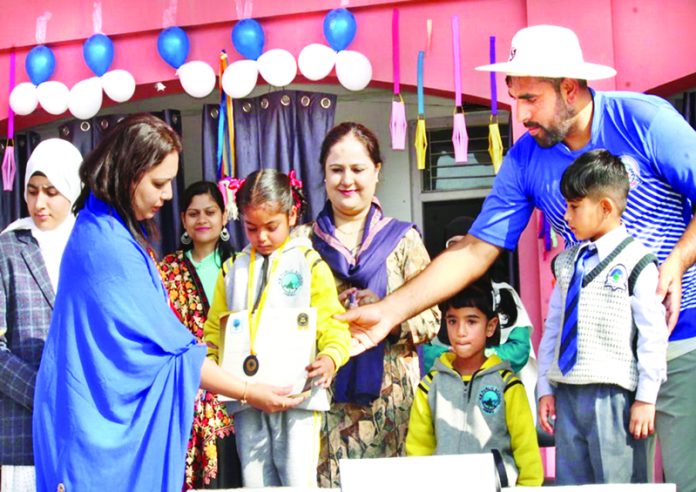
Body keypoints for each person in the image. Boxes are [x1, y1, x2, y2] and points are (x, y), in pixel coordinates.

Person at [338, 25, 696, 490]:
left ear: (569, 88)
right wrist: (389, 312)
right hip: (591, 363)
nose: (520, 114)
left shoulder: (645, 119)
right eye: (514, 97)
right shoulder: (526, 158)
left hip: (679, 336)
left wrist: (677, 261)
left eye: (530, 98)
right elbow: (474, 250)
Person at [32, 115, 303, 492]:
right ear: (129, 173)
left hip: (93, 424)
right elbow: (175, 351)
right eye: (159, 183)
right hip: (99, 440)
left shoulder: (99, 225)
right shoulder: (109, 244)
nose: (168, 195)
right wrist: (249, 391)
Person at [293, 121, 440, 487]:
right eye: (336, 170)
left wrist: (389, 311)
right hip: (320, 397)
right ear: (323, 174)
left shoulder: (403, 239)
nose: (347, 180)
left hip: (390, 407)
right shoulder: (300, 242)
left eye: (358, 169)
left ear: (376, 171)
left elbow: (433, 320)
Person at [203, 169, 351, 487]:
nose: (262, 237)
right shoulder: (232, 269)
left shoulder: (309, 264)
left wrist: (330, 358)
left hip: (298, 394)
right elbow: (215, 327)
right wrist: (213, 363)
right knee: (254, 479)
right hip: (247, 397)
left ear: (292, 214)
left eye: (272, 227)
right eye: (252, 228)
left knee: (297, 479)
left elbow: (333, 324)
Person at [537, 149, 668, 484]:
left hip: (613, 396)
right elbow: (553, 328)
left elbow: (652, 336)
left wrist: (645, 399)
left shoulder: (637, 262)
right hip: (568, 393)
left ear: (606, 207)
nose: (566, 215)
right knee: (571, 482)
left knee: (618, 482)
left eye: (575, 206)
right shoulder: (566, 263)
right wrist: (544, 388)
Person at [0, 139, 82, 492]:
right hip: (24, 425)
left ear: (73, 190)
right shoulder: (8, 246)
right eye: (32, 191)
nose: (39, 203)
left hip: (85, 424)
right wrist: (44, 392)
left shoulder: (90, 243)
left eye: (51, 191)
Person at [405, 279, 543, 487]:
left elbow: (527, 452)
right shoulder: (430, 385)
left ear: (490, 326)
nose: (460, 331)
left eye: (471, 321)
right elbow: (418, 449)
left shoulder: (507, 385)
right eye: (452, 321)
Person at [158, 181, 239, 489]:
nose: (202, 220)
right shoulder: (166, 270)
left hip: (229, 385)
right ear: (183, 220)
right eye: (193, 213)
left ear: (223, 216)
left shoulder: (240, 266)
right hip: (182, 389)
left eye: (210, 212)